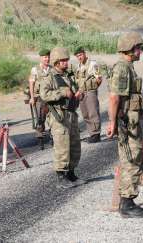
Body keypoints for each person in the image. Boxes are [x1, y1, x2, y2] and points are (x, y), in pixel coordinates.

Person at [106, 31, 143, 218]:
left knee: (132, 158)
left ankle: (128, 200)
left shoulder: (128, 67)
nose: (140, 51)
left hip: (132, 121)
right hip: (127, 123)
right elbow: (115, 98)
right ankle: (127, 203)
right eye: (138, 48)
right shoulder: (123, 68)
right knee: (131, 159)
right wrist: (113, 122)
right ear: (129, 49)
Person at [39, 47, 85, 189]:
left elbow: (74, 90)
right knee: (62, 146)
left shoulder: (68, 76)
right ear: (56, 62)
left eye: (66, 60)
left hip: (71, 114)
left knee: (74, 145)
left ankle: (71, 173)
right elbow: (44, 95)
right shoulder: (49, 77)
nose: (66, 63)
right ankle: (61, 176)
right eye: (63, 61)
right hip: (58, 116)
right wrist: (61, 93)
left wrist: (78, 94)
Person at [73, 47, 102, 143]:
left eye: (80, 55)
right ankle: (91, 133)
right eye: (77, 56)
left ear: (84, 54)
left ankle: (96, 134)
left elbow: (99, 78)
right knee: (85, 114)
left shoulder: (92, 64)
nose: (79, 57)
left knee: (93, 112)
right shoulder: (78, 66)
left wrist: (94, 88)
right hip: (81, 93)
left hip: (90, 91)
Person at [28, 49, 51, 138]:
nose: (47, 59)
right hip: (39, 97)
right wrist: (32, 97)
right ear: (41, 58)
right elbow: (31, 83)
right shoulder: (35, 69)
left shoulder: (51, 69)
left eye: (48, 57)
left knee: (53, 116)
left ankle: (53, 132)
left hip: (50, 96)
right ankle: (40, 132)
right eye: (45, 57)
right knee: (40, 117)